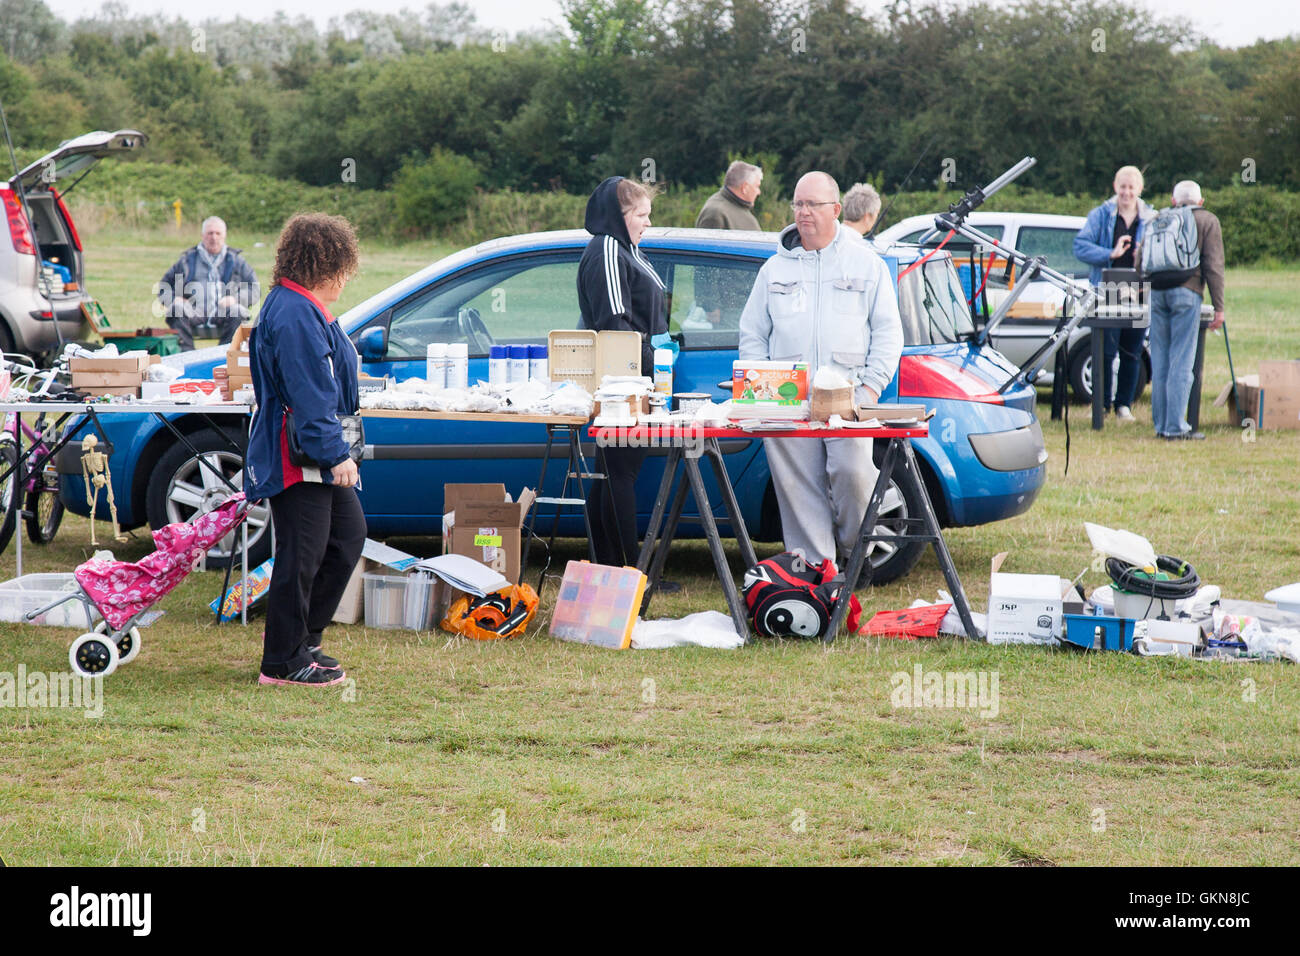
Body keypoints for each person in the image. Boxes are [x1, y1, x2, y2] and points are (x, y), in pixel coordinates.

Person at [739, 172, 904, 577]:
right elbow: (752, 334)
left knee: (852, 475)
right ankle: (816, 572)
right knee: (798, 489)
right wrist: (763, 389)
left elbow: (888, 333)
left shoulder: (866, 264)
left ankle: (856, 552)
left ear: (835, 209)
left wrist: (869, 389)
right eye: (798, 204)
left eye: (812, 205)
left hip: (849, 400)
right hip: (787, 401)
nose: (803, 212)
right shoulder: (773, 269)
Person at [245, 213, 364, 687]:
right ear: (328, 265)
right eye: (344, 270)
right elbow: (310, 392)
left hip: (310, 446)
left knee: (346, 537)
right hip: (297, 455)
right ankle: (281, 662)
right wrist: (335, 454)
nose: (346, 280)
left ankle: (304, 641)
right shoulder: (295, 313)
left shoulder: (304, 307)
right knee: (302, 555)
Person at [578, 177, 669, 570]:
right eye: (641, 215)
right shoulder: (610, 250)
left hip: (634, 372)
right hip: (623, 379)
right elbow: (615, 323)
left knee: (612, 470)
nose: (648, 223)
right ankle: (628, 571)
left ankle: (611, 565)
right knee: (620, 471)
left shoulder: (627, 248)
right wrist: (642, 372)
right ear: (619, 216)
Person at [1072, 166, 1155, 422]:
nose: (1127, 192)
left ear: (1140, 189)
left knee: (1132, 350)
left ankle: (1123, 406)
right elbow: (1080, 246)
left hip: (1139, 290)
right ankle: (1103, 405)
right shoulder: (1100, 215)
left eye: (1132, 187)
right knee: (1105, 351)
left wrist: (1146, 252)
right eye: (1123, 187)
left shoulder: (1152, 218)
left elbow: (1162, 255)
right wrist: (1110, 253)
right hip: (1108, 287)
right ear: (1115, 187)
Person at [1148, 180, 1225, 441]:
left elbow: (1141, 261)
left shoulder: (1158, 218)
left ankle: (1160, 425)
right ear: (1200, 202)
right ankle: (1175, 427)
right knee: (1182, 360)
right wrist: (1219, 307)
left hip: (1156, 293)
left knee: (1159, 360)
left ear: (1173, 200)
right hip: (1187, 291)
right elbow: (1213, 265)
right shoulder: (1207, 220)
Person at [157, 216, 261, 350]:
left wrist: (235, 299)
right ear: (202, 235)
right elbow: (163, 287)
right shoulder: (187, 261)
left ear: (224, 236)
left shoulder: (237, 261)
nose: (214, 237)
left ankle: (225, 356)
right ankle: (186, 358)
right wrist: (174, 299)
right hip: (194, 310)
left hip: (224, 311)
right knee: (176, 310)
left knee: (238, 311)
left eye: (218, 233)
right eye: (210, 233)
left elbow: (255, 289)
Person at [695, 161, 763, 231]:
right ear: (745, 188)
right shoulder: (715, 214)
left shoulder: (739, 207)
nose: (759, 192)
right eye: (757, 186)